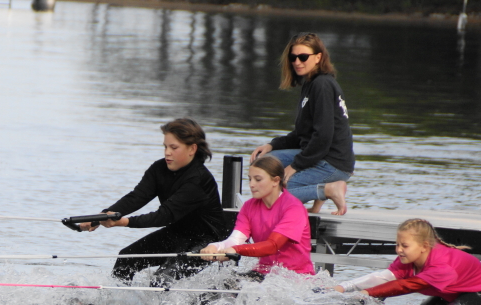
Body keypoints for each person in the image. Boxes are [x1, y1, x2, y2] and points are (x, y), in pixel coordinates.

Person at [80, 118, 226, 285]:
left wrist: (122, 222)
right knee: (126, 258)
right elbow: (136, 197)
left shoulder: (199, 179)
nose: (167, 152)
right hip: (177, 233)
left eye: (174, 147)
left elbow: (164, 216)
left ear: (192, 149)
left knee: (162, 279)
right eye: (165, 146)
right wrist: (100, 216)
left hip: (208, 241)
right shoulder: (159, 168)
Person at [251, 32, 354, 216]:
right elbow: (301, 135)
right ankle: (320, 196)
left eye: (303, 57)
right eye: (293, 57)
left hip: (332, 162)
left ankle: (328, 190)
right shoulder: (310, 83)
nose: (297, 62)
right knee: (264, 163)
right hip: (319, 155)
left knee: (274, 192)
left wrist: (295, 166)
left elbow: (322, 138)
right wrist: (271, 145)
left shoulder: (322, 85)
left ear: (318, 57)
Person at [334, 218, 481, 305]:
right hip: (451, 294)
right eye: (397, 244)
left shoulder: (441, 265)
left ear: (424, 247)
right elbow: (383, 278)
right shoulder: (407, 259)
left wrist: (366, 293)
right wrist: (342, 288)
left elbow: (406, 286)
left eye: (404, 246)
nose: (399, 250)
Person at [198, 154, 314, 278]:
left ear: (275, 181)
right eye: (250, 179)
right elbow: (236, 240)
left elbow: (273, 246)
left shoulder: (293, 207)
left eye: (258, 179)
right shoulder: (248, 206)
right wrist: (216, 246)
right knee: (218, 290)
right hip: (263, 274)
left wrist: (237, 250)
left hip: (295, 277)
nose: (251, 184)